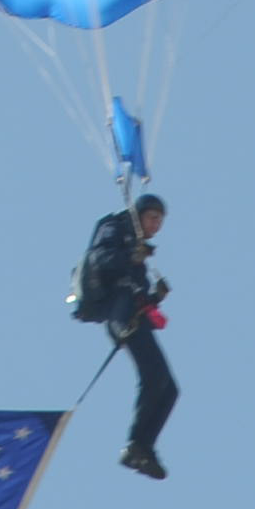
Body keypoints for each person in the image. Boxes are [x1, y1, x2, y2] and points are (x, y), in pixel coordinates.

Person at [75, 193, 177, 478]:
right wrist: (131, 255)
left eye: (160, 221)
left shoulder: (138, 252)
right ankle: (135, 445)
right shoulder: (115, 228)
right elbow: (101, 257)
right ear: (139, 215)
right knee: (155, 377)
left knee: (169, 388)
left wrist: (155, 297)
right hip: (121, 317)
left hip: (134, 316)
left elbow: (136, 292)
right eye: (153, 217)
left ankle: (143, 448)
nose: (156, 225)